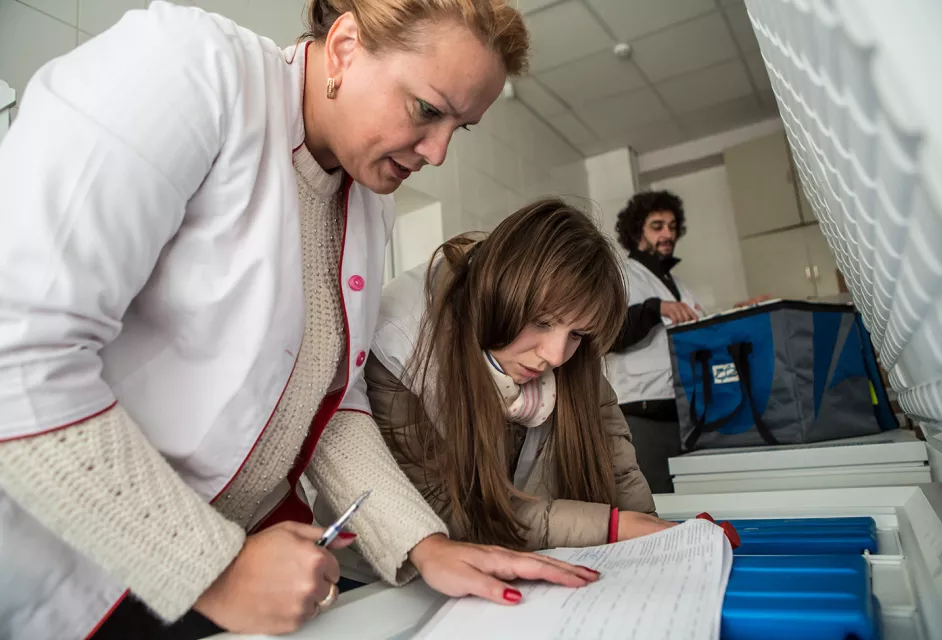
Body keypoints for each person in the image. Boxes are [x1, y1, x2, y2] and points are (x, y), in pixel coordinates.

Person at [0, 2, 601, 639]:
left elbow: (330, 403)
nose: (438, 152)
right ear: (344, 47)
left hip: (234, 560)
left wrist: (423, 542)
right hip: (79, 558)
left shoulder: (368, 203)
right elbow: (19, 355)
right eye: (427, 109)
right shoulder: (192, 68)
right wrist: (216, 571)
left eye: (461, 127)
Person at [360, 199, 676, 566]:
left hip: (496, 559)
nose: (555, 356)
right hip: (383, 574)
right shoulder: (399, 342)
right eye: (542, 322)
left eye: (576, 333)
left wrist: (655, 535)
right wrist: (610, 527)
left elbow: (617, 463)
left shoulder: (574, 347)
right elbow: (442, 514)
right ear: (498, 295)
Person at [605, 190, 768, 493]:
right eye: (657, 226)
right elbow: (606, 332)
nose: (668, 234)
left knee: (691, 500)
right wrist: (655, 308)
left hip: (686, 413)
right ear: (636, 231)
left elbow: (702, 335)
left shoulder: (679, 286)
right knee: (654, 503)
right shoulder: (620, 275)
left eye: (672, 226)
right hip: (641, 416)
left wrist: (740, 313)